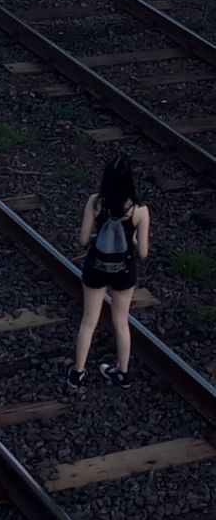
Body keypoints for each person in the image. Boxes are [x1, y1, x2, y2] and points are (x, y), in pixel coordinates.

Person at [67, 155, 150, 390]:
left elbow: (83, 240)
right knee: (121, 322)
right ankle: (122, 374)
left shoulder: (95, 202)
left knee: (89, 321)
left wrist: (97, 238)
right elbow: (143, 253)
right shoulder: (140, 210)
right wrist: (132, 240)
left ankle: (78, 373)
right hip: (124, 272)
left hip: (96, 268)